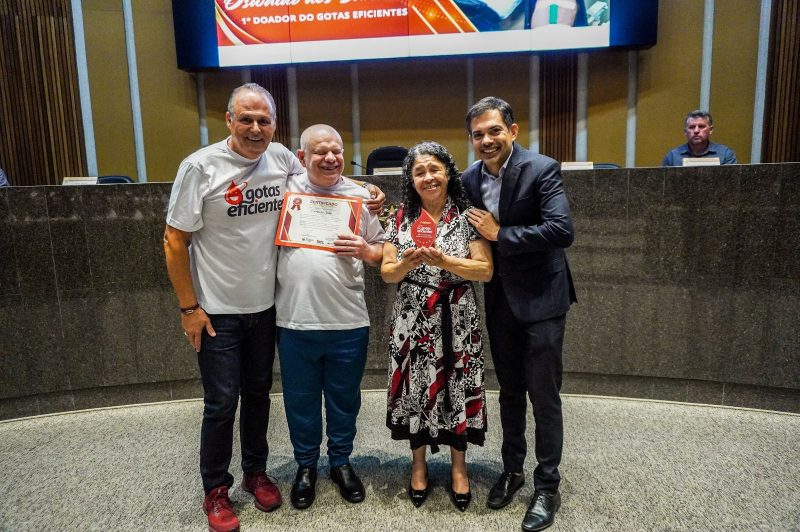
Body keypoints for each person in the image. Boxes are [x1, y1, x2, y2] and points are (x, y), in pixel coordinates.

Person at [163, 85, 384, 532]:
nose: (255, 128)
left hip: (266, 309)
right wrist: (189, 308)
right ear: (229, 120)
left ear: (275, 126)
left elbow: (330, 175)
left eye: (263, 120)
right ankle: (216, 490)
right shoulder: (201, 166)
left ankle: (256, 472)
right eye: (246, 119)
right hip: (217, 310)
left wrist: (367, 189)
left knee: (259, 396)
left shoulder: (281, 159)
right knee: (221, 403)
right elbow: (174, 239)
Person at [461, 96, 576, 531]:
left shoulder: (541, 169)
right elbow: (432, 205)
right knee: (509, 392)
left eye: (494, 130)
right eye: (478, 134)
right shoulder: (468, 179)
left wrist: (500, 233)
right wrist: (374, 197)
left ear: (512, 130)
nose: (487, 140)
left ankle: (547, 485)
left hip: (544, 299)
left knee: (543, 396)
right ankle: (512, 470)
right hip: (500, 300)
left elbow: (561, 230)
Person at [276, 124, 385, 511]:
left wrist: (366, 250)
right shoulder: (285, 189)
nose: (330, 158)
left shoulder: (361, 197)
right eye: (320, 151)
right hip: (295, 321)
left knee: (344, 401)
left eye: (336, 151)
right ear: (301, 158)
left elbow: (382, 250)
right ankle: (306, 466)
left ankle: (340, 461)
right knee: (300, 402)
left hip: (348, 322)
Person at [382, 141, 493, 512]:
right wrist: (408, 263)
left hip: (456, 314)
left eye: (434, 169)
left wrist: (445, 261)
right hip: (412, 316)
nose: (428, 177)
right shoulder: (399, 217)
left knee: (457, 383)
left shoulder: (468, 216)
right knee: (417, 385)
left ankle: (459, 468)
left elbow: (485, 270)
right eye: (419, 172)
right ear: (410, 180)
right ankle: (418, 465)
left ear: (448, 173)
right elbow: (387, 272)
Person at [662, 110, 737, 166]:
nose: (696, 131)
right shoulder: (673, 156)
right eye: (692, 127)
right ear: (685, 132)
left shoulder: (725, 154)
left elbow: (732, 181)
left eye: (701, 126)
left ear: (710, 130)